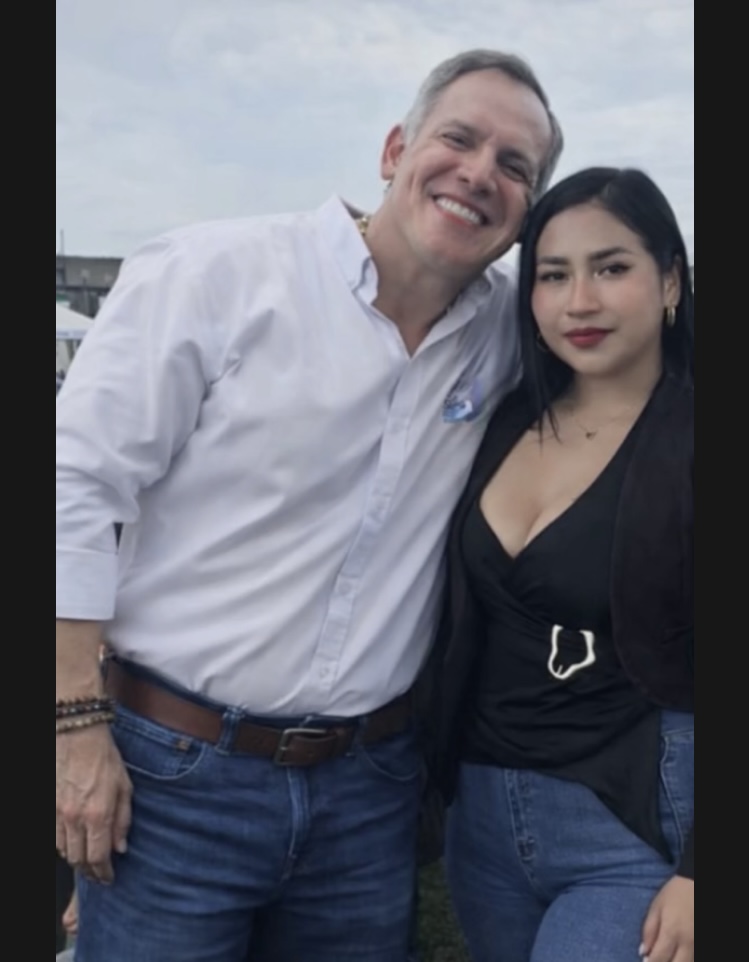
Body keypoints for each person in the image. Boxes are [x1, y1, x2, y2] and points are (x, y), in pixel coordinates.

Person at [55, 49, 563, 962]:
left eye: (514, 165)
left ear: (527, 209)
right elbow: (72, 486)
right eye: (458, 139)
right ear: (395, 148)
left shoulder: (507, 333)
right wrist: (73, 729)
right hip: (171, 774)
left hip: (368, 791)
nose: (479, 173)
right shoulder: (217, 274)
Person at [425, 167, 694, 962]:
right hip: (481, 821)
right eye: (552, 275)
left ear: (669, 280)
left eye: (610, 268)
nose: (579, 301)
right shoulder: (506, 417)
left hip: (633, 823)